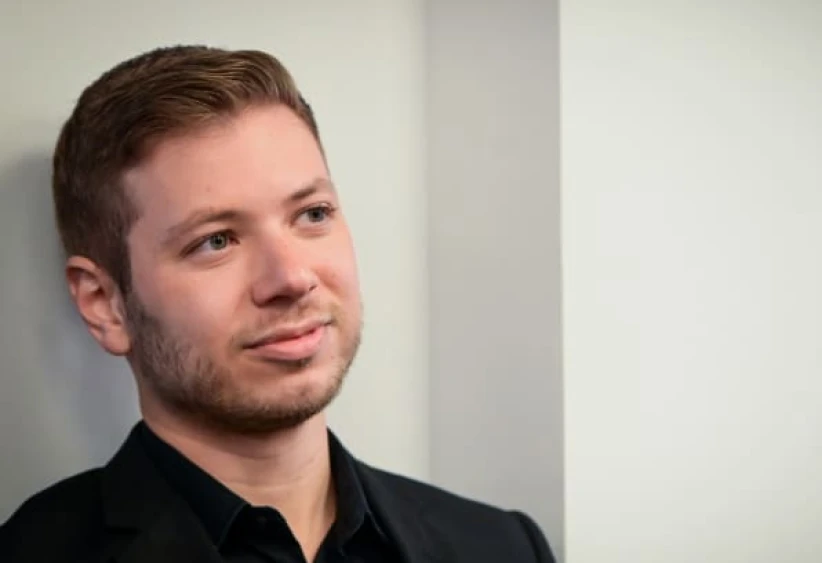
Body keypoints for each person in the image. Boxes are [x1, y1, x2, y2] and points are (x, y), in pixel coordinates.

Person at [0, 45, 555, 563]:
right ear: (105, 304)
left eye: (312, 214)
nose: (291, 278)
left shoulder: (502, 546)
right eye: (216, 241)